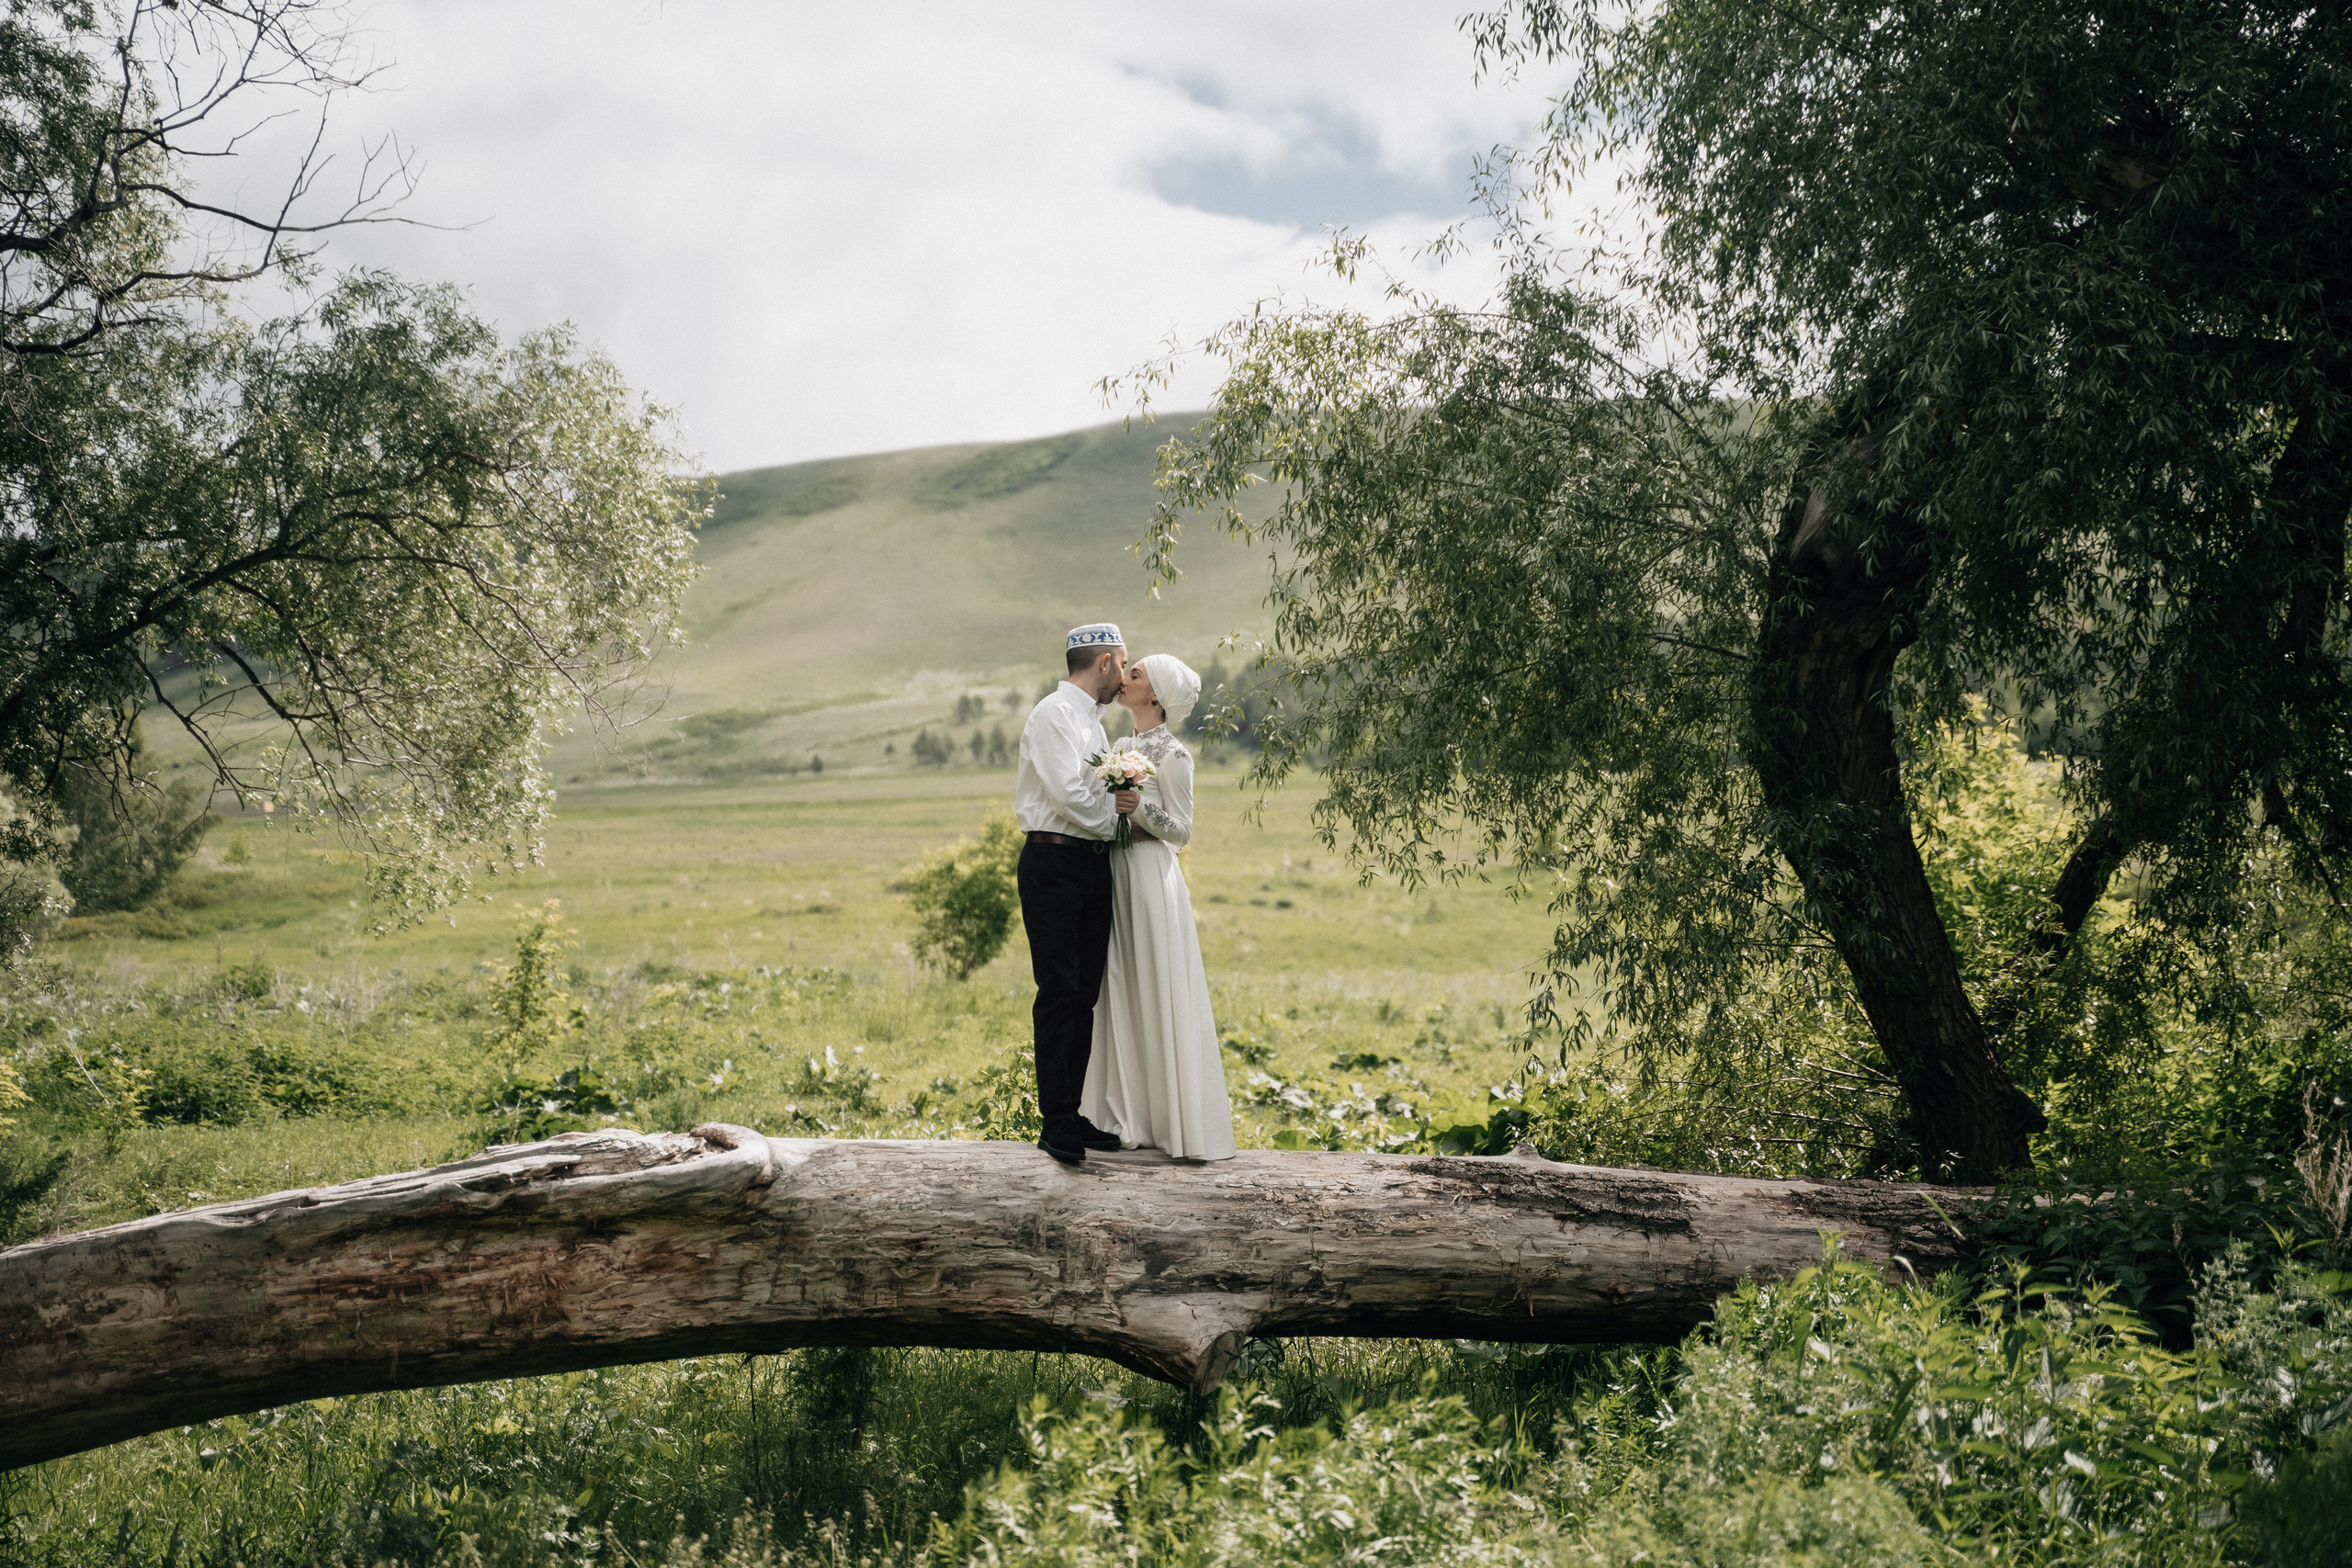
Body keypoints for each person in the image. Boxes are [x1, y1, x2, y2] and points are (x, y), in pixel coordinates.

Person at [1079, 654, 1238, 1161]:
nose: (1125, 678)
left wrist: (1137, 805)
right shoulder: (1118, 746)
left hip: (1149, 878)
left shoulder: (1174, 755)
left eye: (1138, 673)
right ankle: (1123, 1113)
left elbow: (1183, 832)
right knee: (1118, 985)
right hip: (1114, 874)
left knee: (1153, 982)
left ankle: (1171, 1119)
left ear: (1157, 695)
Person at [1013, 623, 1139, 1165]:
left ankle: (1074, 1110)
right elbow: (1066, 794)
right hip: (1054, 861)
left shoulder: (1094, 723)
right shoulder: (1053, 715)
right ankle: (1056, 1120)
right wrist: (1116, 825)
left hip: (1090, 863)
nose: (1124, 679)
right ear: (1106, 662)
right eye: (1124, 664)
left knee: (1084, 992)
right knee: (1059, 989)